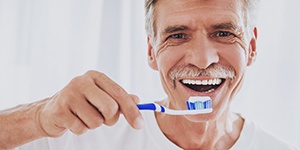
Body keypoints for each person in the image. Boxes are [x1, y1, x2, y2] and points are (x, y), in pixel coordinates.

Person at [0, 0, 297, 149]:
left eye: (223, 32)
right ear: (152, 51)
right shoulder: (86, 137)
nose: (203, 60)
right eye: (178, 35)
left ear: (252, 46)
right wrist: (38, 118)